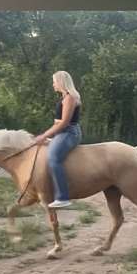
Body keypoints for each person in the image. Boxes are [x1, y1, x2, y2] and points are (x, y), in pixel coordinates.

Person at [34, 71, 82, 208]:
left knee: (53, 158)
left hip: (69, 133)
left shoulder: (70, 98)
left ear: (61, 82)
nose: (53, 84)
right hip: (62, 133)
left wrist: (44, 136)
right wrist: (51, 137)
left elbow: (64, 123)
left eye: (54, 81)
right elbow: (58, 124)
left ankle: (63, 197)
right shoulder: (64, 97)